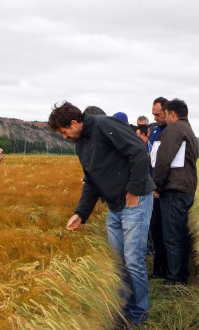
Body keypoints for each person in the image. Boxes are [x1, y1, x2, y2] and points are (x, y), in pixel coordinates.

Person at [48, 101, 155, 326]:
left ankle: (138, 314)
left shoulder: (105, 125)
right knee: (117, 263)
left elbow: (138, 152)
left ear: (75, 122)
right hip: (114, 206)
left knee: (134, 261)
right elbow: (92, 181)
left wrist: (134, 190)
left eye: (64, 131)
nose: (64, 137)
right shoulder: (81, 145)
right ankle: (120, 310)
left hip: (135, 202)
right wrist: (81, 213)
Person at [153, 98, 198, 285]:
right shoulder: (189, 130)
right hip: (186, 188)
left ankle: (174, 279)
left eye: (165, 114)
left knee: (172, 236)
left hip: (174, 189)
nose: (163, 118)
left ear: (172, 114)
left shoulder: (174, 129)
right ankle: (179, 275)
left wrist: (156, 185)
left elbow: (164, 158)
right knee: (179, 233)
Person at [147, 96, 169, 279]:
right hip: (151, 189)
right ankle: (157, 271)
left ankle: (164, 270)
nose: (155, 117)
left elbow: (166, 163)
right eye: (153, 114)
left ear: (167, 111)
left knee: (165, 231)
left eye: (158, 114)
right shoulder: (154, 131)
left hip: (163, 190)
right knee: (155, 229)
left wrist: (159, 186)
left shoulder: (172, 131)